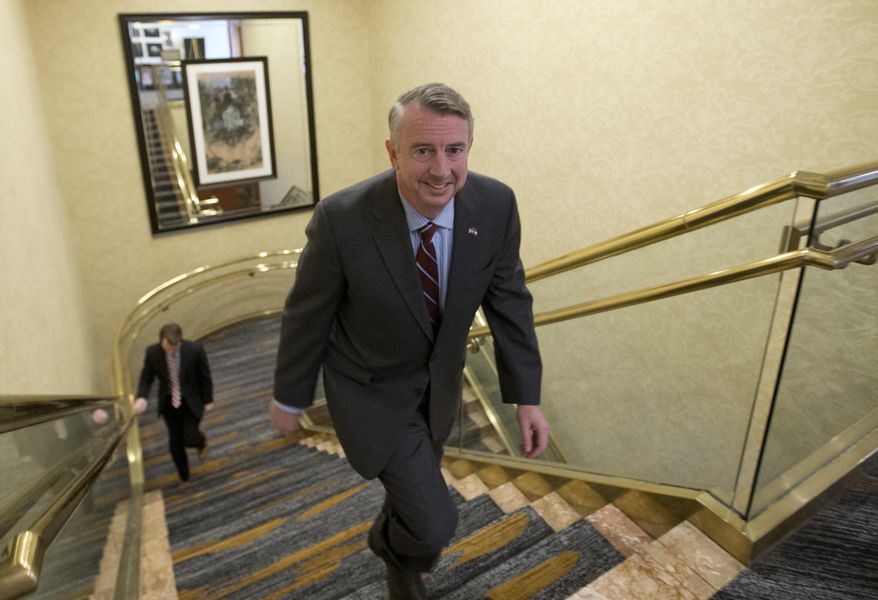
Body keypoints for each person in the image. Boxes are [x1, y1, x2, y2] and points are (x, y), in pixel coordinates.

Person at [270, 82, 548, 599]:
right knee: (437, 521)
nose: (442, 170)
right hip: (369, 389)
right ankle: (394, 552)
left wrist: (526, 397)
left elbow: (509, 301)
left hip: (439, 388)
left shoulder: (495, 205)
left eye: (454, 150)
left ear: (468, 148)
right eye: (423, 150)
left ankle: (395, 530)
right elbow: (307, 314)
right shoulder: (342, 218)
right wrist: (291, 393)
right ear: (392, 151)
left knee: (416, 490)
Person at [134, 322, 213, 482]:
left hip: (191, 401)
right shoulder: (153, 352)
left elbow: (205, 376)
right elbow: (146, 377)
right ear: (161, 340)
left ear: (180, 341)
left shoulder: (195, 350)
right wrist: (141, 397)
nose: (171, 350)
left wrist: (208, 399)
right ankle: (184, 475)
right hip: (169, 403)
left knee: (189, 438)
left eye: (175, 346)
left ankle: (201, 442)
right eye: (168, 346)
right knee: (175, 440)